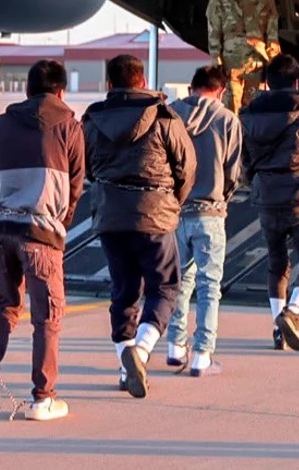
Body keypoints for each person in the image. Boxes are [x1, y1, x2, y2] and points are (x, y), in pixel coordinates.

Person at [0, 59, 85, 422]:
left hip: (1, 229)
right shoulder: (68, 125)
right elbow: (77, 184)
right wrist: (59, 222)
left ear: (28, 90)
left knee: (7, 303)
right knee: (47, 316)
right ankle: (43, 397)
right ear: (61, 91)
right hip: (41, 232)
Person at [82, 53, 195, 398]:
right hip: (155, 215)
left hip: (111, 216)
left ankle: (124, 364)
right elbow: (187, 168)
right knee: (164, 288)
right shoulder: (164, 117)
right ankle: (141, 352)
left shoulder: (92, 120)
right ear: (142, 81)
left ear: (110, 85)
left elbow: (84, 167)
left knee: (124, 291)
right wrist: (171, 201)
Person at [240, 53, 299, 353]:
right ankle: (292, 312)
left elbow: (246, 163)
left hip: (266, 196)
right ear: (296, 82)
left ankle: (279, 331)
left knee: (277, 262)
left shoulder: (248, 116)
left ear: (266, 83)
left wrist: (258, 182)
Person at [164, 64, 241, 377]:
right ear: (220, 90)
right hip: (210, 211)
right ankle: (202, 354)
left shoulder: (170, 114)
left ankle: (174, 347)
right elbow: (233, 171)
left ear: (190, 87)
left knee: (178, 282)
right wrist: (222, 196)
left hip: (174, 211)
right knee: (210, 286)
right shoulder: (228, 120)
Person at [205, 0, 280, 111]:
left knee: (254, 111)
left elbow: (272, 30)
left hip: (256, 63)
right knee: (230, 111)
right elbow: (213, 30)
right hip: (231, 64)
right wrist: (216, 59)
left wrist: (275, 61)